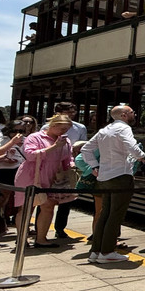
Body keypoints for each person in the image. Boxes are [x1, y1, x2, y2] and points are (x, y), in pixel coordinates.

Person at [81, 105, 144, 263]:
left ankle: (96, 250)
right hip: (120, 176)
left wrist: (95, 166)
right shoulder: (124, 129)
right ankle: (107, 251)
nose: (133, 114)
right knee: (116, 214)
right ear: (123, 115)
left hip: (104, 177)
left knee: (104, 213)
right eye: (131, 112)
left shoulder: (104, 130)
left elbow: (86, 149)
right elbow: (132, 147)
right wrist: (140, 155)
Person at [13, 114, 75, 247]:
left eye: (66, 129)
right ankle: (22, 238)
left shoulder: (65, 141)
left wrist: (71, 166)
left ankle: (41, 239)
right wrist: (54, 147)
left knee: (48, 206)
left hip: (51, 178)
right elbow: (30, 155)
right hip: (31, 176)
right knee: (27, 207)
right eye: (62, 128)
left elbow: (68, 157)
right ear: (53, 125)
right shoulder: (35, 137)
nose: (64, 132)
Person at [41, 101, 88, 240]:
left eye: (73, 112)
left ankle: (60, 228)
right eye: (69, 112)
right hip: (50, 166)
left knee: (67, 198)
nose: (72, 115)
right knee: (45, 198)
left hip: (68, 165)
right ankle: (40, 229)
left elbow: (82, 145)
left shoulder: (80, 128)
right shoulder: (46, 127)